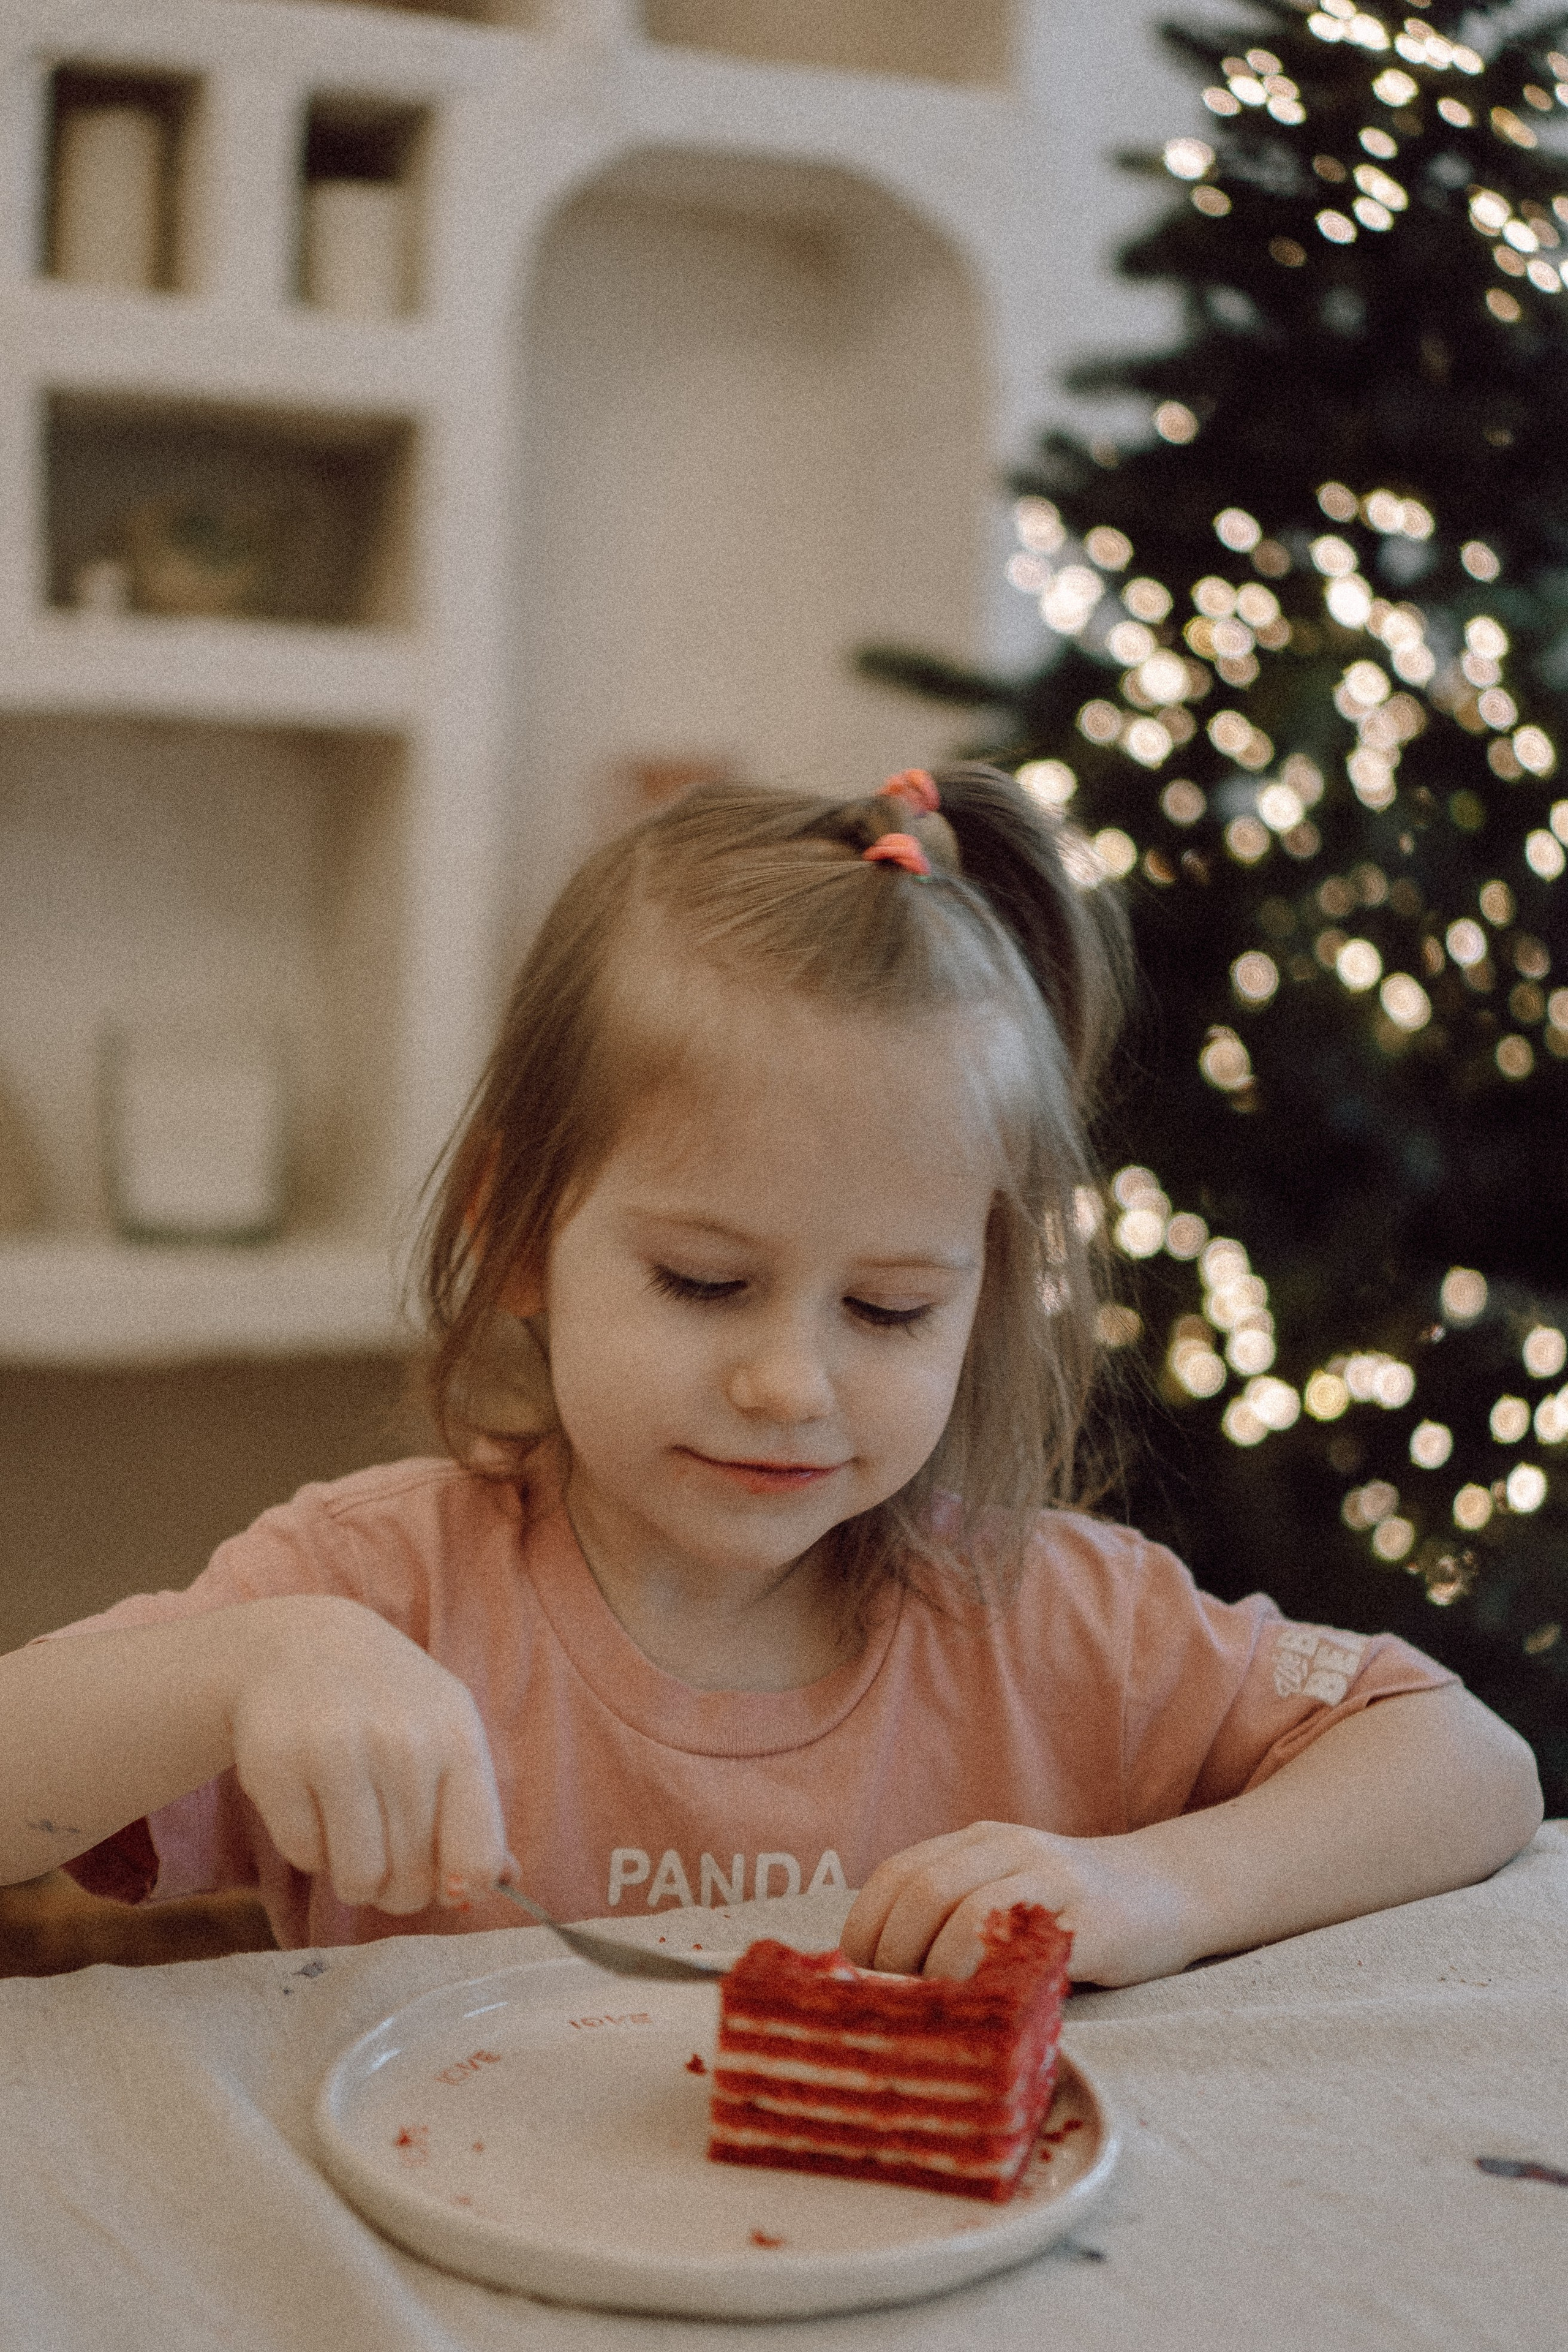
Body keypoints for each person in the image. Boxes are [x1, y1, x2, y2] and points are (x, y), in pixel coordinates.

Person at [0, 767, 1541, 1981]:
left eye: (885, 1310)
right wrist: (248, 1666)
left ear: (982, 1298)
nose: (785, 1382)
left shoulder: (1041, 1617)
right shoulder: (372, 1591)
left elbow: (1467, 1764)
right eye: (704, 1283)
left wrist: (1155, 1885)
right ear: (518, 1234)